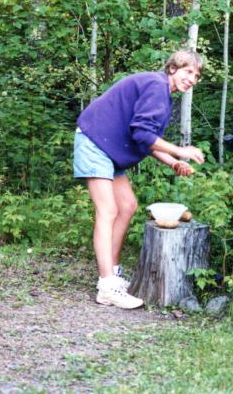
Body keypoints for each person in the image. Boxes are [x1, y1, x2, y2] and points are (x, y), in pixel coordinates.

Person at [73, 50, 205, 309]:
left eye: (197, 76)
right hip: (95, 142)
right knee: (108, 210)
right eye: (188, 71)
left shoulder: (162, 93)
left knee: (128, 206)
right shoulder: (157, 86)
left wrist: (174, 162)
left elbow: (145, 142)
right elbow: (143, 134)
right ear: (173, 68)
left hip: (109, 149)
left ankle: (110, 273)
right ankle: (107, 286)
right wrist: (180, 151)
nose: (192, 79)